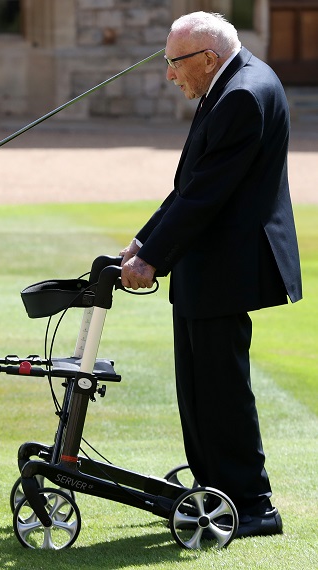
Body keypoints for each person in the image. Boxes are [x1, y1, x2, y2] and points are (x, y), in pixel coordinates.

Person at [120, 12, 302, 539]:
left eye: (175, 64)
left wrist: (152, 258)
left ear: (207, 59)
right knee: (198, 389)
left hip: (227, 266)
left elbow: (207, 193)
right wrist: (143, 240)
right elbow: (192, 184)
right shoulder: (234, 82)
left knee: (220, 390)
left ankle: (252, 504)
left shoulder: (243, 93)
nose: (170, 75)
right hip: (211, 264)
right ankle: (215, 489)